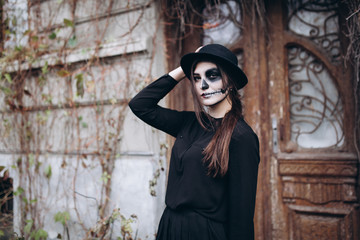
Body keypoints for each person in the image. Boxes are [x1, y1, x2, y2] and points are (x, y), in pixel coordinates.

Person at [129, 44, 260, 240]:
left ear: (230, 81)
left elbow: (242, 213)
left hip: (204, 233)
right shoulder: (189, 123)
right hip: (170, 227)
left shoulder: (241, 136)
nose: (202, 86)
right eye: (197, 78)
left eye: (212, 75)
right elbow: (140, 105)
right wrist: (184, 69)